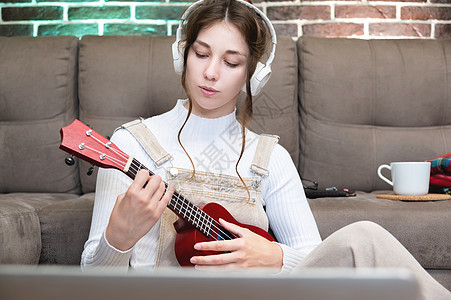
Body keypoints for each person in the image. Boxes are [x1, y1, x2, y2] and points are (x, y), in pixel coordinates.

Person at [81, 0, 450, 299]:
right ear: (183, 55)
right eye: (201, 54)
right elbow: (92, 283)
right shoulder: (131, 144)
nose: (211, 73)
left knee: (364, 237)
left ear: (252, 74)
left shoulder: (270, 158)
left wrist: (274, 256)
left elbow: (317, 258)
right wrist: (118, 238)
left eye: (231, 62)